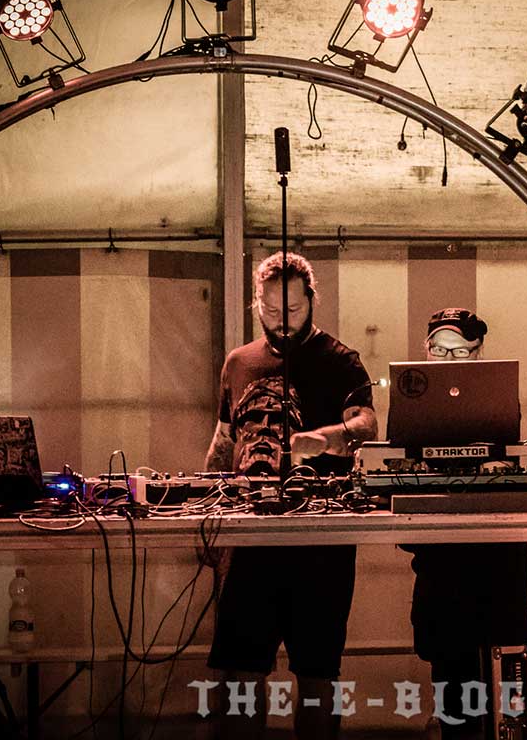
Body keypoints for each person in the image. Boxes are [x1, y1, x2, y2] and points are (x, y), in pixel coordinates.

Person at [203, 251, 377, 740]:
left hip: (320, 542)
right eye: (272, 310)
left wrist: (326, 438)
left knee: (318, 673)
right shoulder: (239, 363)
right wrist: (207, 505)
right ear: (256, 303)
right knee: (239, 671)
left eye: (294, 310)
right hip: (249, 539)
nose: (282, 321)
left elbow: (367, 423)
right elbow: (224, 438)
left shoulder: (341, 361)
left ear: (312, 301)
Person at [407, 308, 527, 740]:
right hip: (441, 572)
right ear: (426, 351)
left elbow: (518, 455)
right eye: (440, 351)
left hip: (497, 573)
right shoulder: (413, 404)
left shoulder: (498, 401)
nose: (449, 361)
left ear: (479, 353)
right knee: (453, 688)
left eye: (460, 352)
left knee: (510, 682)